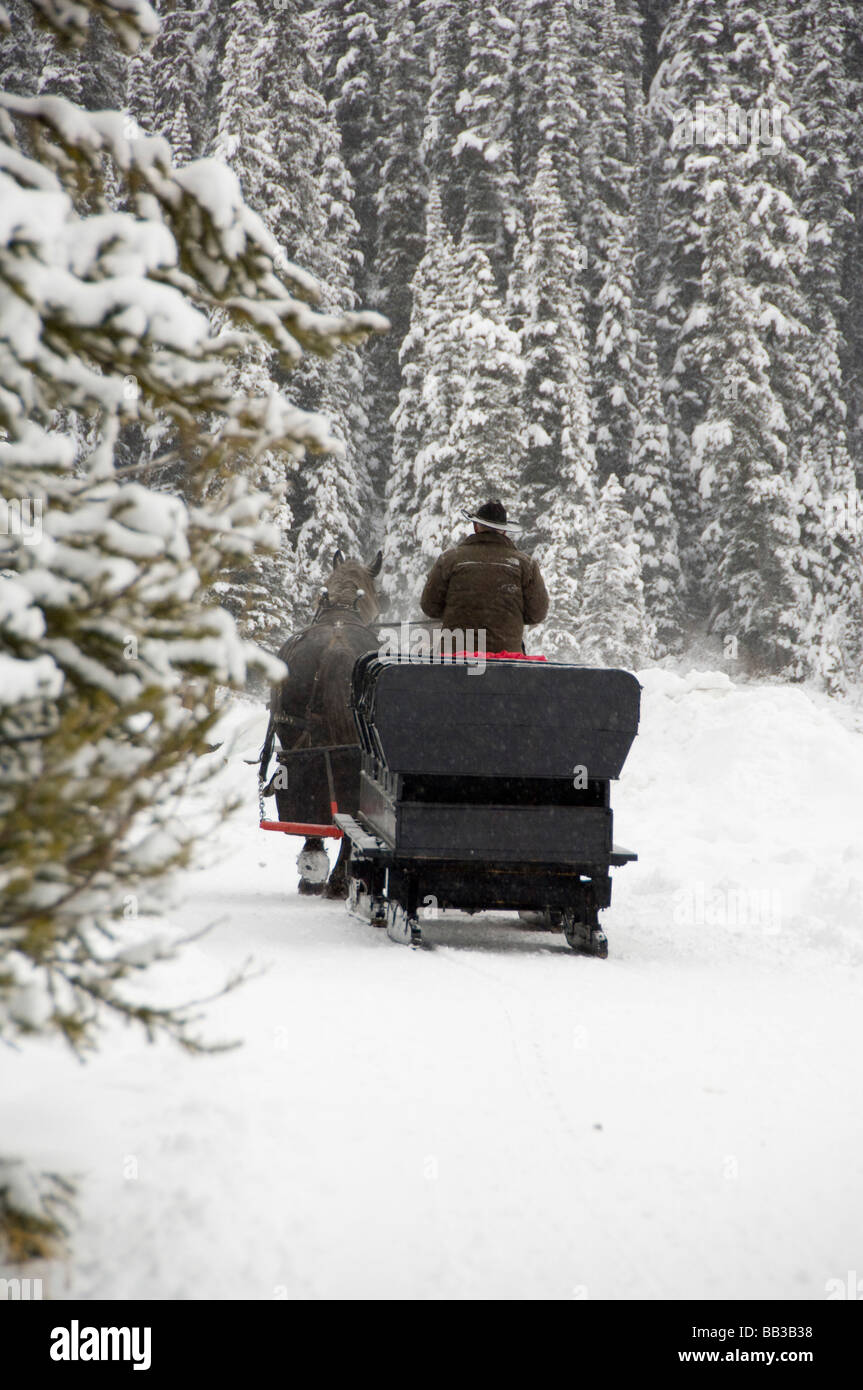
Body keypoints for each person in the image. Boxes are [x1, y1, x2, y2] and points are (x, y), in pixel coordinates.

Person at [420, 499, 549, 654]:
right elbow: (537, 614)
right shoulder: (525, 565)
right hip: (506, 659)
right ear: (504, 531)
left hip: (454, 658)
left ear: (475, 526)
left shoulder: (449, 559)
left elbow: (430, 607)